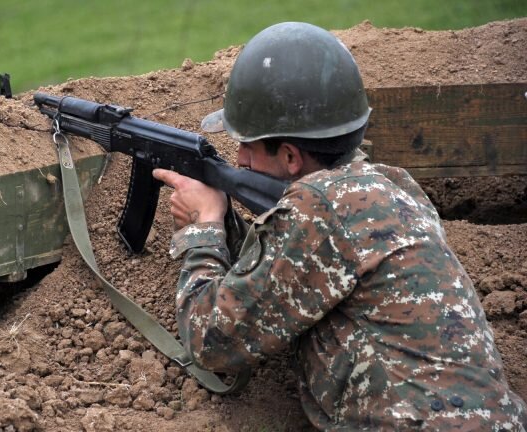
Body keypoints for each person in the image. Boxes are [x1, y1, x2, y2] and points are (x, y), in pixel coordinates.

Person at [152, 22, 527, 430]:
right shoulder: (397, 187)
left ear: (291, 158)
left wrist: (204, 226)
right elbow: (287, 271)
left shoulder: (317, 207)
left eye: (248, 144)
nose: (239, 158)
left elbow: (211, 341)